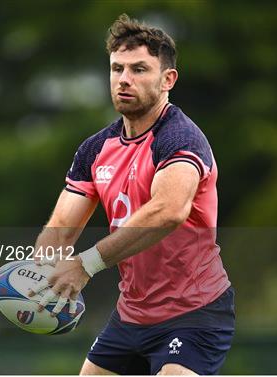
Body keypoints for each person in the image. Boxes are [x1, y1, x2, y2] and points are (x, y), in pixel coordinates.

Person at [29, 14, 235, 375]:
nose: (125, 79)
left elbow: (167, 212)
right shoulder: (96, 149)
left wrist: (85, 265)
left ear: (167, 79)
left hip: (193, 311)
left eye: (139, 69)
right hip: (132, 314)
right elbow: (63, 224)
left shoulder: (180, 139)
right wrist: (40, 271)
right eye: (117, 69)